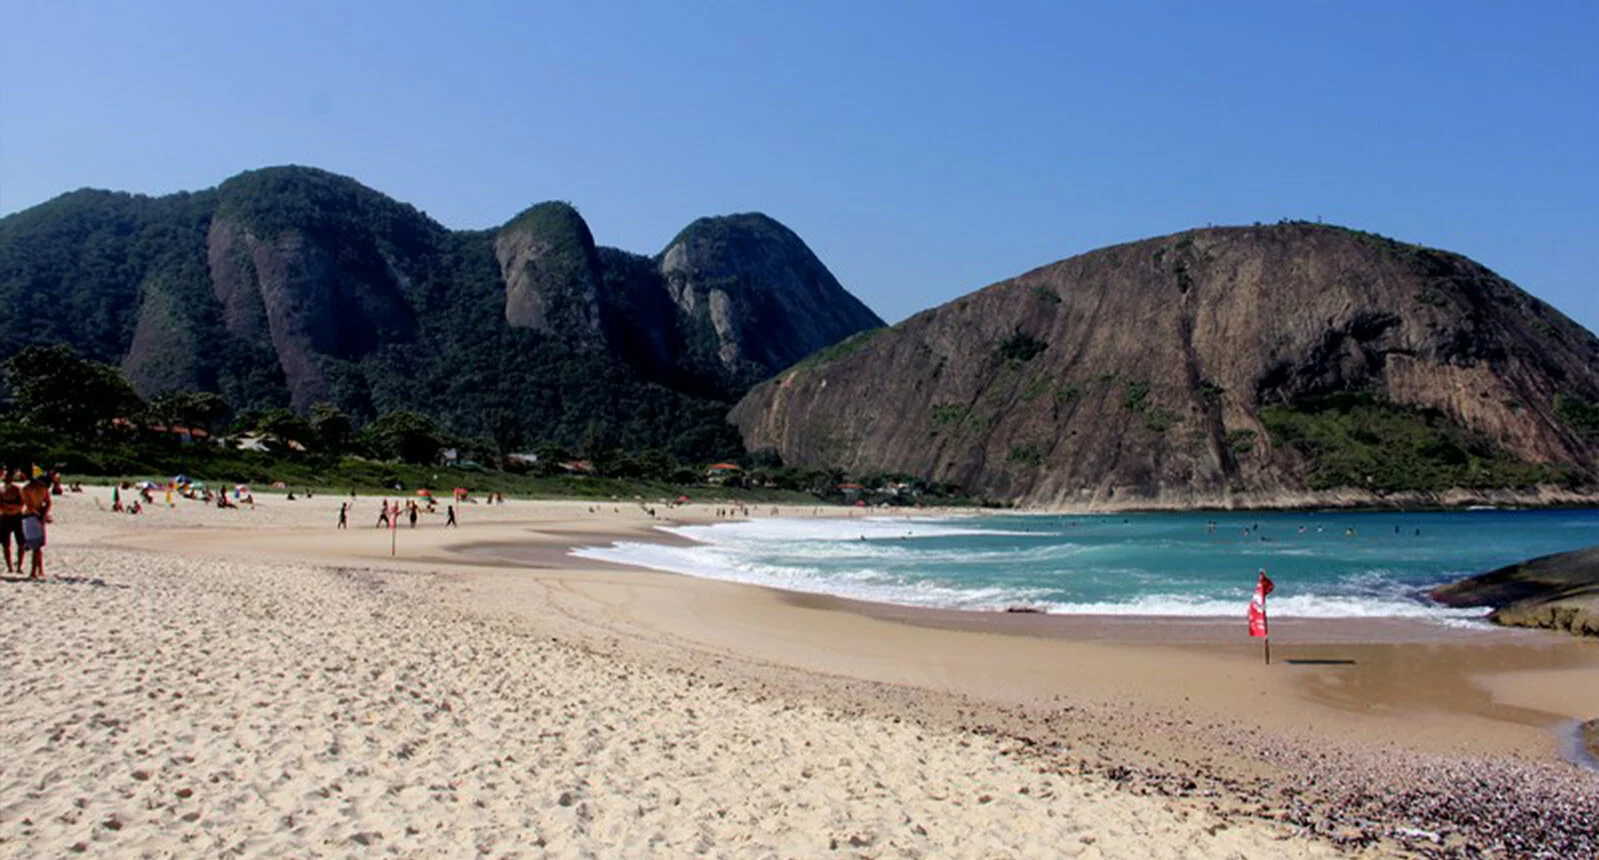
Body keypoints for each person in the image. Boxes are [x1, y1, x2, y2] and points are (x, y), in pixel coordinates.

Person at [20, 470, 52, 580]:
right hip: (39, 516)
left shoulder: (26, 488)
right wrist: (43, 515)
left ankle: (34, 571)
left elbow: (29, 507)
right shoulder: (44, 488)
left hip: (30, 516)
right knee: (38, 545)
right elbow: (48, 502)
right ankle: (40, 569)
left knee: (35, 546)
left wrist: (38, 514)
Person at [0, 470, 23, 574]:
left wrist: (9, 506)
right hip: (5, 517)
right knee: (5, 544)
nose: (6, 479)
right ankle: (9, 566)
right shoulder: (1, 490)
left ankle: (19, 566)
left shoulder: (17, 489)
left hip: (16, 517)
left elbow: (21, 504)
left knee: (21, 543)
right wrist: (8, 507)